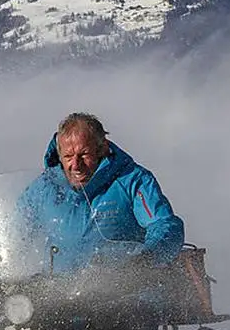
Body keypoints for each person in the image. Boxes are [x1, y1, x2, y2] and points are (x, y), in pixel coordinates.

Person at [16, 112, 184, 274]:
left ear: (102, 149)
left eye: (84, 155)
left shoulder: (132, 180)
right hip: (59, 294)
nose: (76, 165)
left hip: (125, 294)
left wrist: (145, 259)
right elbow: (15, 233)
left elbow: (163, 224)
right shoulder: (43, 188)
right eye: (68, 156)